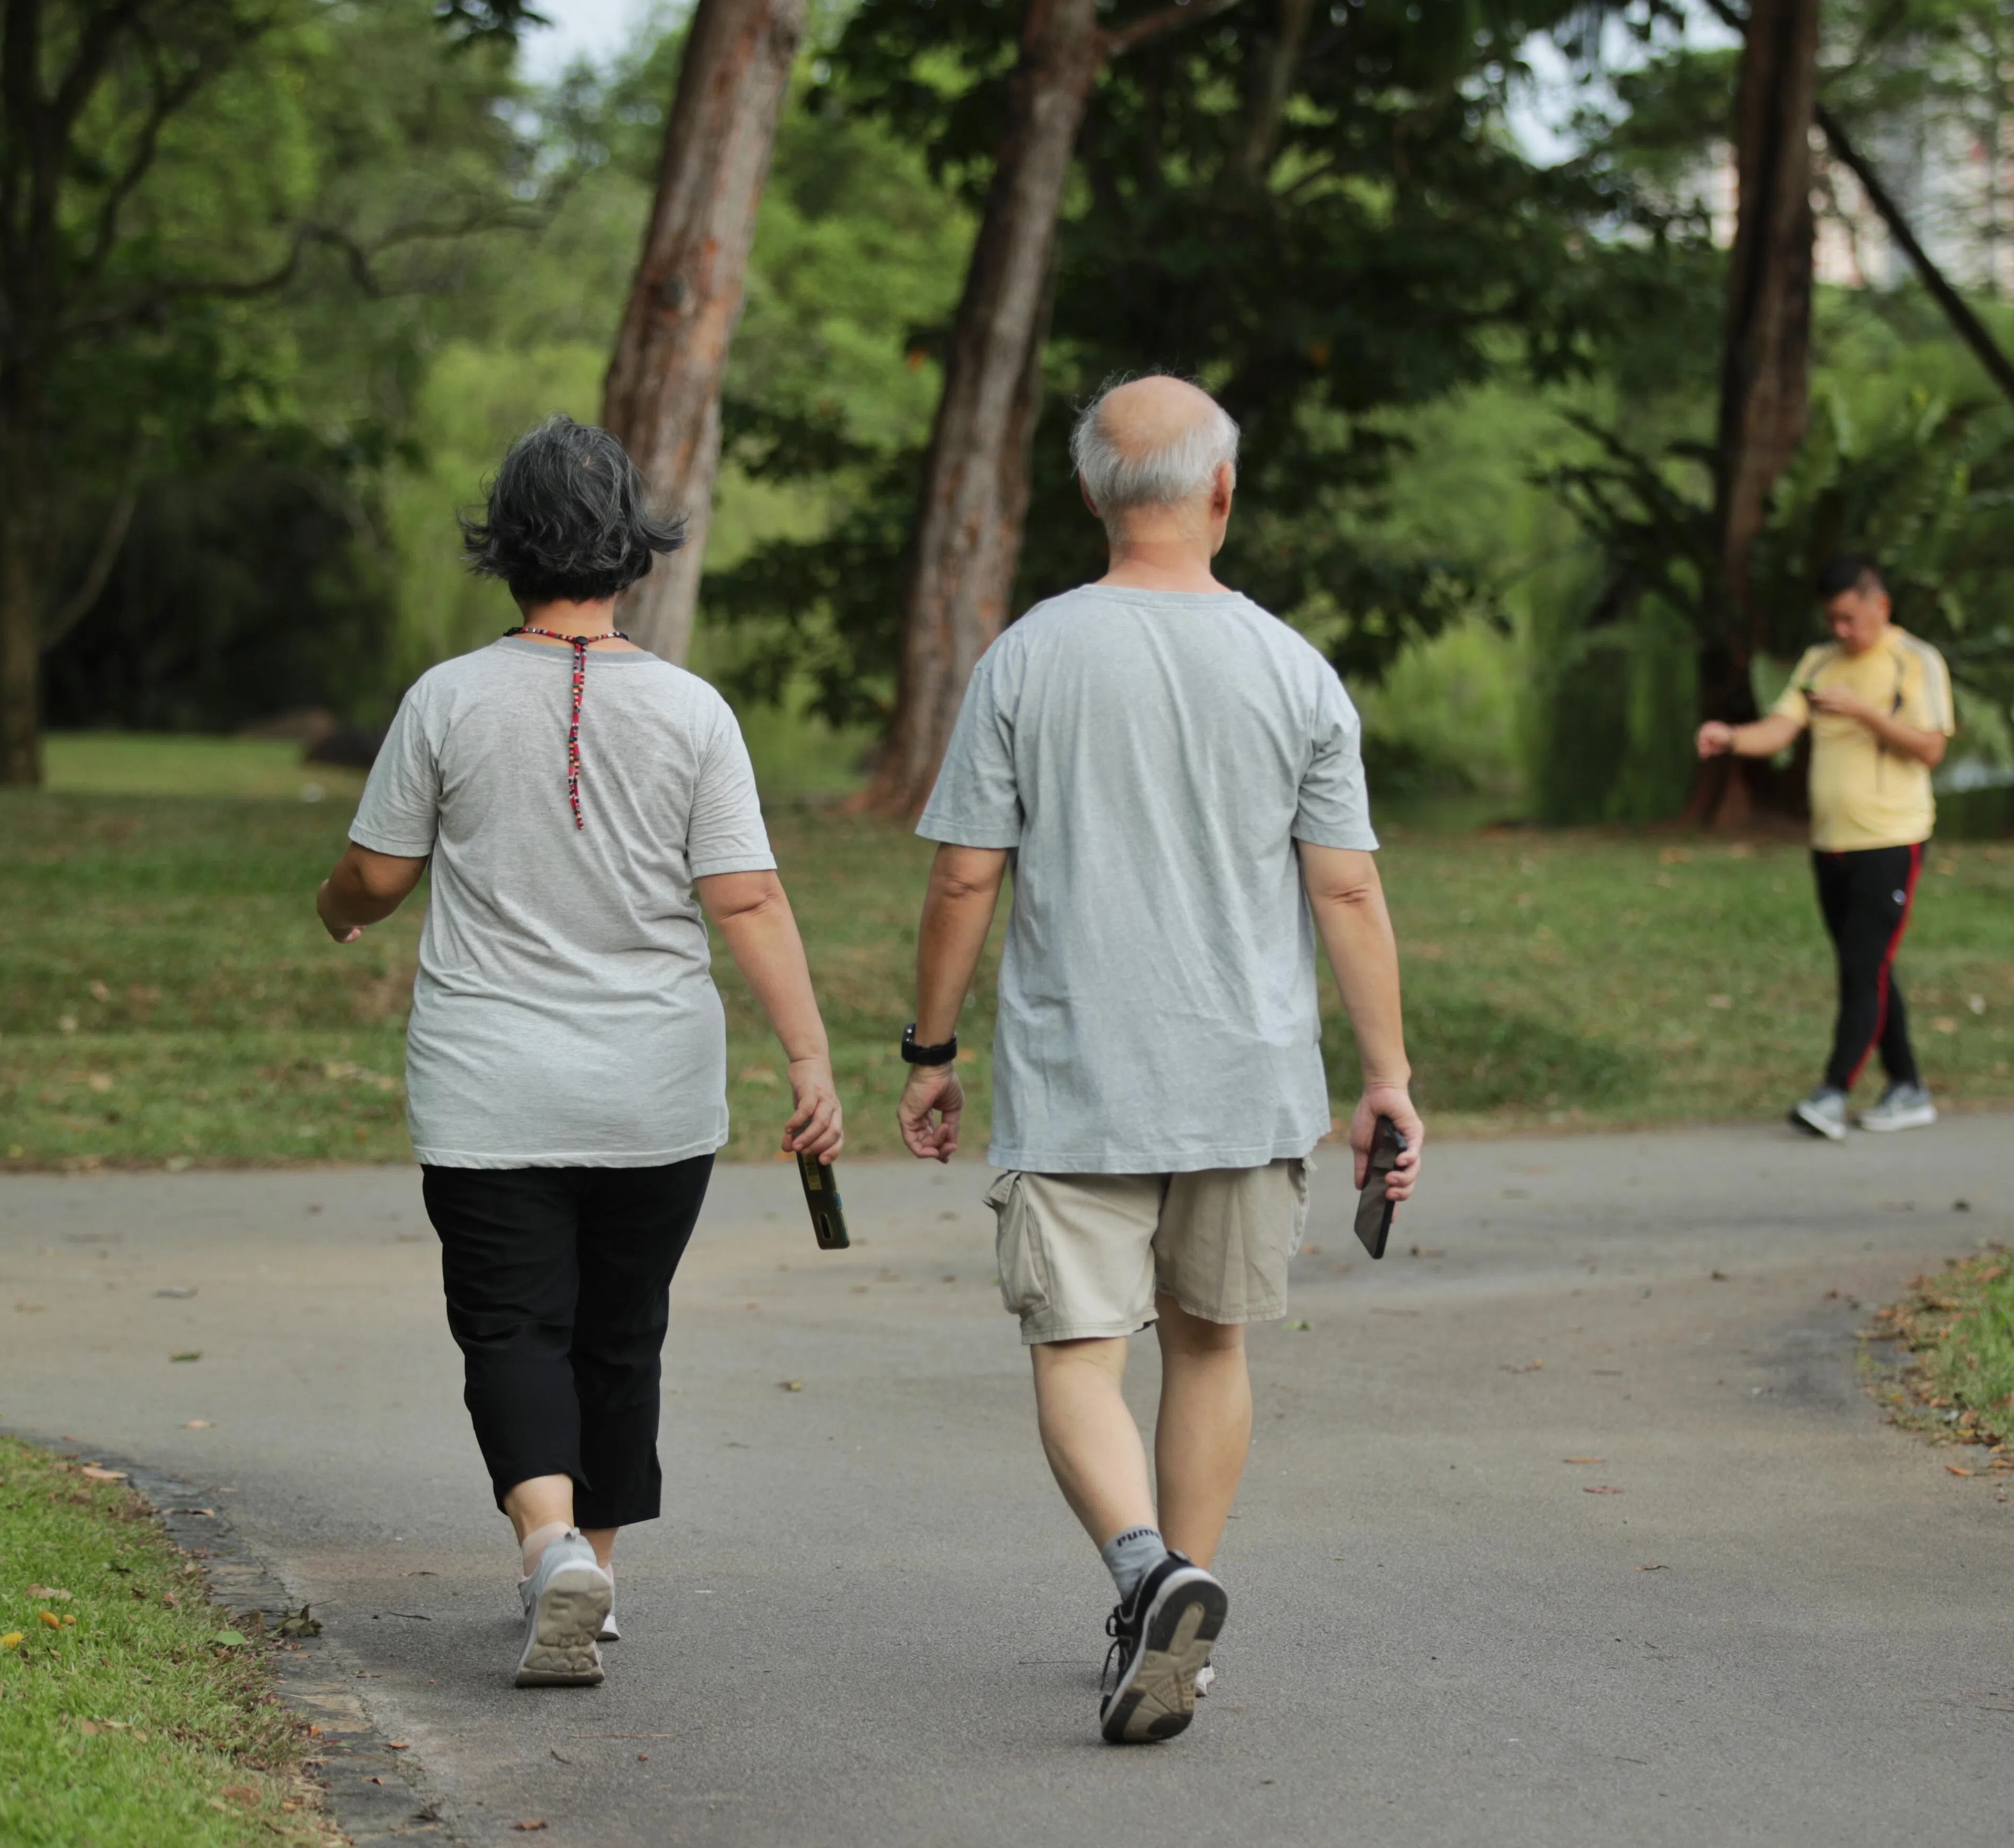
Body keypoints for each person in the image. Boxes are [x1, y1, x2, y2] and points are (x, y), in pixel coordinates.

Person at [896, 374, 1422, 1745]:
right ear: (1224, 493)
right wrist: (1386, 1080)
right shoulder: (1293, 669)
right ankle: (1180, 1609)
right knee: (1208, 1346)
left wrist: (932, 1049)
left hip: (1081, 1086)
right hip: (1245, 1083)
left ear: (1090, 494)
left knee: (1079, 1354)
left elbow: (964, 881)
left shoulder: (1028, 656)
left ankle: (1146, 1577)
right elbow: (1350, 892)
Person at [312, 415, 843, 1688]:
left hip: (488, 1084)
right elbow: (748, 900)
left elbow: (378, 874)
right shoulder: (689, 710)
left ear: (505, 547)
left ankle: (552, 1547)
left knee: (509, 1324)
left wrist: (336, 907)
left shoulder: (445, 699)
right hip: (653, 1090)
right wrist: (811, 1061)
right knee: (621, 1328)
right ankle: (588, 1577)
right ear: (631, 551)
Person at [1696, 551, 1956, 1140]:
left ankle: (1833, 1093)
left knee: (1864, 966)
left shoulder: (1914, 661)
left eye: (1849, 619)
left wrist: (1865, 712)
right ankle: (1908, 1086)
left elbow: (1931, 747)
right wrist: (1731, 736)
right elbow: (1781, 729)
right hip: (1830, 843)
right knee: (1868, 966)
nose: (1841, 632)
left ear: (1879, 605)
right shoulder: (1820, 663)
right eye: (1833, 620)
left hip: (1892, 839)